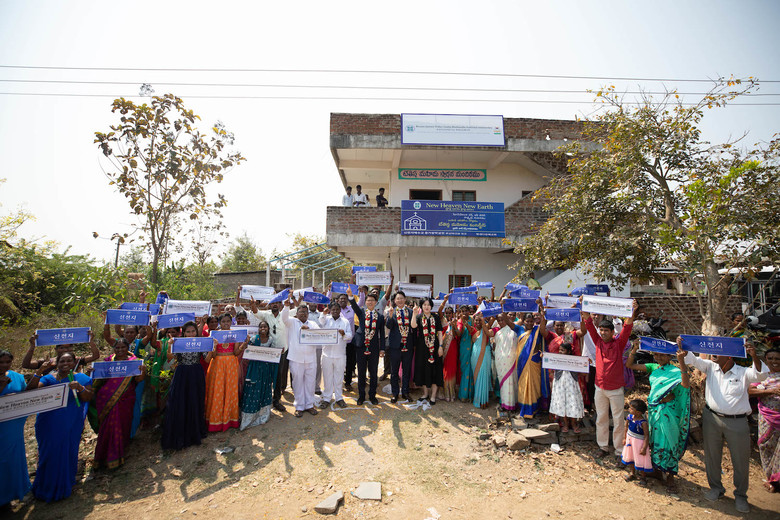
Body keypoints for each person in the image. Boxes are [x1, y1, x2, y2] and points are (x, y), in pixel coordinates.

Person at [680, 337, 768, 513]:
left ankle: (741, 496)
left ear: (729, 356)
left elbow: (761, 375)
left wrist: (754, 356)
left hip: (737, 422)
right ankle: (716, 488)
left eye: (718, 352)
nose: (713, 355)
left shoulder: (743, 372)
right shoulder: (710, 367)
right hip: (711, 418)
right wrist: (683, 345)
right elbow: (692, 360)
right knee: (712, 456)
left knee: (740, 460)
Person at [626, 341, 691, 493]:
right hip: (654, 411)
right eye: (656, 354)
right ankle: (656, 470)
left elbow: (685, 385)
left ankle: (670, 476)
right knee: (654, 440)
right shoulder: (653, 367)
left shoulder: (675, 371)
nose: (658, 357)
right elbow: (630, 365)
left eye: (662, 355)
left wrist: (681, 361)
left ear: (669, 356)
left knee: (669, 441)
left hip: (668, 413)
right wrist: (634, 349)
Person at [29, 351, 93, 502]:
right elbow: (31, 391)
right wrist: (39, 372)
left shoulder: (82, 378)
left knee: (68, 451)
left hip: (70, 421)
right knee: (48, 453)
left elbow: (88, 397)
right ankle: (44, 487)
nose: (65, 364)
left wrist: (80, 388)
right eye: (62, 361)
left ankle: (64, 485)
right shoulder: (48, 379)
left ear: (74, 362)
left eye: (69, 361)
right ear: (57, 364)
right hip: (48, 422)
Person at [581, 300, 637, 459]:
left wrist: (632, 311)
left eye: (606, 330)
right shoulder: (597, 341)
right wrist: (583, 305)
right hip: (600, 388)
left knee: (618, 420)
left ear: (612, 332)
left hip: (616, 389)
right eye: (601, 330)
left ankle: (619, 451)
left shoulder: (619, 343)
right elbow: (588, 323)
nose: (603, 333)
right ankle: (603, 447)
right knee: (601, 418)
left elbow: (627, 327)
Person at [92, 338, 146, 469]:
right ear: (114, 348)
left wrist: (143, 371)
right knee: (106, 428)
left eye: (123, 347)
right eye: (117, 347)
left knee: (122, 425)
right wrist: (92, 372)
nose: (120, 350)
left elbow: (138, 380)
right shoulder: (108, 361)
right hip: (106, 399)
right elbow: (99, 380)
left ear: (128, 348)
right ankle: (101, 458)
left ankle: (118, 456)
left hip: (125, 399)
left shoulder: (134, 362)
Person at [162, 321, 208, 450]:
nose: (191, 334)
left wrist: (213, 347)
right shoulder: (179, 342)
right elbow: (170, 357)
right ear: (184, 333)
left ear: (196, 332)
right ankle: (180, 434)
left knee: (195, 401)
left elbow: (207, 359)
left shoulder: (201, 342)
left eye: (193, 331)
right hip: (182, 374)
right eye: (188, 332)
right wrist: (170, 345)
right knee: (180, 401)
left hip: (196, 373)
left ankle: (194, 432)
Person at [205, 313, 247, 432]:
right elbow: (213, 355)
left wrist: (243, 345)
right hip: (217, 364)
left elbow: (236, 352)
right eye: (223, 321)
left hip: (231, 365)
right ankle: (215, 421)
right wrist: (213, 346)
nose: (226, 323)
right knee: (217, 391)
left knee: (230, 390)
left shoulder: (234, 334)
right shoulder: (214, 335)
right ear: (220, 323)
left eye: (228, 321)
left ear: (231, 322)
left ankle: (230, 420)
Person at [0, 350, 31, 508]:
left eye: (8, 362)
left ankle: (16, 491)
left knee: (14, 458)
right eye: (1, 362)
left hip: (14, 425)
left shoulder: (17, 377)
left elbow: (25, 396)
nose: (5, 365)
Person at [282, 299, 322, 417]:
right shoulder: (292, 322)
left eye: (305, 312)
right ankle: (299, 406)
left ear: (308, 314)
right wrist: (286, 307)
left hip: (310, 358)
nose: (303, 314)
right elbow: (284, 318)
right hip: (296, 358)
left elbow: (319, 335)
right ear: (297, 313)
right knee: (298, 383)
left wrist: (309, 331)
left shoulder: (313, 324)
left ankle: (309, 405)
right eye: (301, 312)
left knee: (310, 382)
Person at [249, 297, 289, 413]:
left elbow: (296, 311)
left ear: (280, 305)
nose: (275, 305)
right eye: (273, 303)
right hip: (268, 352)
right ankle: (264, 400)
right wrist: (253, 305)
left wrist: (290, 301)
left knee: (278, 377)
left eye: (277, 303)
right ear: (270, 305)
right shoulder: (266, 315)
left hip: (281, 351)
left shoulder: (285, 315)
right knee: (266, 376)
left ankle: (276, 401)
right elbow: (256, 312)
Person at [749, 346, 780, 493]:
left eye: (777, 358)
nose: (774, 361)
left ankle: (776, 481)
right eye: (770, 358)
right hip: (767, 418)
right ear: (766, 360)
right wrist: (771, 391)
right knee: (765, 446)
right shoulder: (762, 376)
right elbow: (750, 391)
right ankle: (770, 478)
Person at [348, 287, 385, 405]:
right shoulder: (361, 312)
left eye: (372, 300)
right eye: (368, 300)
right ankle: (361, 396)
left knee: (373, 372)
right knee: (361, 371)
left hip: (374, 348)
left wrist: (382, 349)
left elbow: (382, 334)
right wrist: (350, 296)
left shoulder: (380, 317)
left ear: (376, 302)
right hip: (361, 346)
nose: (370, 302)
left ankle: (372, 395)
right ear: (366, 302)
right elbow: (354, 306)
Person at [240, 321, 279, 430]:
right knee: (253, 389)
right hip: (254, 368)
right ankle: (249, 417)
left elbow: (273, 354)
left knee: (264, 388)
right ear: (258, 328)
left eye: (265, 326)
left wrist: (278, 353)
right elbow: (246, 351)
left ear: (268, 328)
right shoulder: (254, 339)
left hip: (266, 369)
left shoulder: (271, 340)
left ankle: (263, 414)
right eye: (261, 326)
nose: (263, 328)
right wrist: (245, 343)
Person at [516, 299, 550, 418]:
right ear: (524, 321)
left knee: (534, 387)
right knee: (523, 385)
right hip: (522, 363)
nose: (530, 323)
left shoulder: (537, 330)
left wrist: (542, 309)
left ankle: (534, 409)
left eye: (531, 321)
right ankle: (523, 408)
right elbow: (508, 322)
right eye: (527, 321)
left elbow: (543, 325)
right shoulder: (519, 330)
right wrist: (503, 307)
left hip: (535, 362)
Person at [318, 303, 353, 408]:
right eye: (333, 309)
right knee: (327, 377)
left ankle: (339, 398)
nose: (335, 311)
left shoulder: (345, 322)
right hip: (327, 354)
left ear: (340, 310)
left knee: (339, 377)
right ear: (330, 310)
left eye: (337, 309)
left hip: (340, 355)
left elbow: (350, 336)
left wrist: (344, 334)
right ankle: (327, 398)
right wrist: (324, 314)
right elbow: (320, 322)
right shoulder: (326, 320)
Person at [23, 331, 101, 375]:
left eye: (69, 347)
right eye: (62, 348)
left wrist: (91, 341)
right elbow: (26, 365)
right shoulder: (47, 362)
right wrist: (32, 346)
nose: (66, 350)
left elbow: (95, 356)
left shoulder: (76, 360)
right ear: (56, 349)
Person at [411, 298, 444, 404]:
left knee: (435, 370)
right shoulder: (419, 317)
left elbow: (439, 332)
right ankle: (425, 394)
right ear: (421, 306)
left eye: (428, 305)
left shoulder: (436, 317)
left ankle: (433, 396)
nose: (426, 307)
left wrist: (440, 346)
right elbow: (413, 326)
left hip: (434, 347)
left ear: (431, 306)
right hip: (422, 347)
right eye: (424, 305)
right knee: (423, 369)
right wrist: (414, 314)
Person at [548, 342, 585, 433]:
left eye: (563, 350)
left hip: (571, 383)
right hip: (560, 383)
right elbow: (548, 363)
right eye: (560, 350)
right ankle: (565, 424)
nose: (560, 352)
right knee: (561, 403)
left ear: (568, 352)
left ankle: (573, 424)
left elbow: (583, 369)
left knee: (572, 402)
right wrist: (544, 357)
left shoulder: (574, 360)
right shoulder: (556, 359)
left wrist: (586, 363)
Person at [621, 399, 652, 486]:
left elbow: (646, 436)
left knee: (640, 459)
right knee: (630, 457)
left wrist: (644, 447)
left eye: (631, 408)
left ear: (638, 412)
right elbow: (626, 427)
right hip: (630, 441)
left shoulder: (643, 423)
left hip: (639, 443)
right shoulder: (629, 417)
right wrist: (625, 438)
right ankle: (632, 473)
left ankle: (643, 477)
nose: (629, 409)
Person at [494, 313, 519, 413]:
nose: (501, 322)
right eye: (499, 321)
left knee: (511, 382)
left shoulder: (514, 330)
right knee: (504, 383)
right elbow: (496, 347)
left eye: (502, 320)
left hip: (511, 361)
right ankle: (505, 404)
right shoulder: (498, 333)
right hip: (501, 361)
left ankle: (511, 405)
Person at [471, 314, 493, 409]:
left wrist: (483, 320)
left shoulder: (485, 328)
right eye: (476, 320)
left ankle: (482, 401)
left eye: (480, 320)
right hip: (475, 356)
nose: (478, 322)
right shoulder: (474, 331)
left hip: (484, 356)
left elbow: (492, 320)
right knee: (476, 376)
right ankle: (476, 398)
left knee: (483, 376)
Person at [456, 307, 475, 402]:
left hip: (473, 346)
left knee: (471, 369)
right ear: (460, 312)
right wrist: (462, 324)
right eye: (462, 311)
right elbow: (459, 334)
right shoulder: (459, 321)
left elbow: (474, 331)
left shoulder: (472, 319)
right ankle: (463, 395)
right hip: (464, 347)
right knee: (465, 370)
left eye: (466, 311)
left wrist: (468, 325)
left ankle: (471, 395)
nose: (464, 313)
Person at [440, 304, 459, 402]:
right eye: (446, 313)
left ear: (453, 314)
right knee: (445, 371)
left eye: (450, 313)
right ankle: (446, 393)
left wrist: (453, 326)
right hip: (445, 349)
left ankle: (452, 393)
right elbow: (439, 312)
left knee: (452, 370)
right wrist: (444, 302)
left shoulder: (456, 322)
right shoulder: (443, 322)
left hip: (453, 348)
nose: (448, 315)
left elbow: (456, 335)